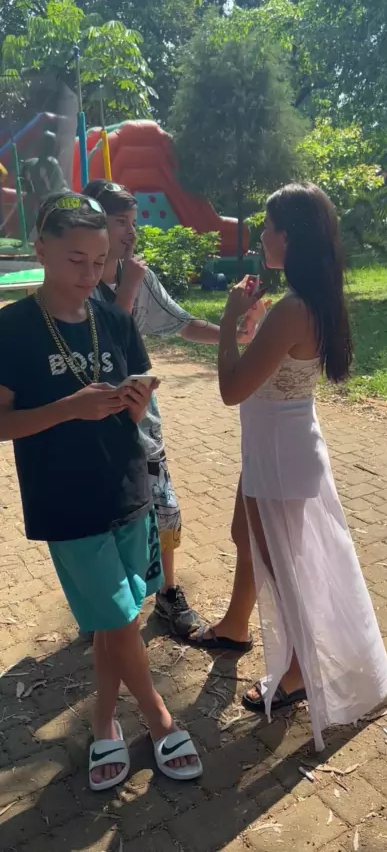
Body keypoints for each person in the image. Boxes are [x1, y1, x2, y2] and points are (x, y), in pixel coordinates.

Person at [0, 192, 202, 789]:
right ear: (40, 249)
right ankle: (160, 719)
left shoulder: (112, 317)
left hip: (126, 485)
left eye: (98, 261)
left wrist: (136, 402)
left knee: (114, 618)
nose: (90, 274)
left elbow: (140, 388)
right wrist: (68, 408)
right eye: (75, 260)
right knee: (117, 617)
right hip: (65, 499)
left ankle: (104, 719)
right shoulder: (12, 327)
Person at [193, 183, 387, 751]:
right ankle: (237, 626)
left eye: (268, 227)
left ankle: (300, 671)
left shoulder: (293, 308)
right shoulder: (306, 300)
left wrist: (230, 322)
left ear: (290, 236)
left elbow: (232, 389)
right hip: (279, 445)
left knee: (283, 568)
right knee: (246, 535)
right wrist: (253, 327)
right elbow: (272, 368)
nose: (261, 236)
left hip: (280, 454)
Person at [82, 179, 257, 637]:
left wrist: (233, 334)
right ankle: (106, 604)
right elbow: (106, 345)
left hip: (142, 416)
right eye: (120, 222)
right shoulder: (76, 281)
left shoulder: (138, 276)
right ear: (94, 224)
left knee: (160, 501)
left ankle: (168, 593)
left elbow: (180, 322)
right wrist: (128, 288)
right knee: (104, 512)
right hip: (92, 420)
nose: (131, 232)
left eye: (133, 222)